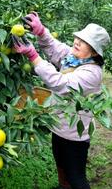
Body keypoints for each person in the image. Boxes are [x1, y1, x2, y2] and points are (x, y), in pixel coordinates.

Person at [12, 12, 110, 189]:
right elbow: (55, 48)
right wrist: (41, 32)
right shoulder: (74, 58)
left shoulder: (91, 73)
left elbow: (60, 83)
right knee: (61, 167)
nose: (77, 42)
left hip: (75, 135)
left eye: (85, 42)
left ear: (94, 51)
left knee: (76, 177)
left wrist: (34, 56)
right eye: (78, 38)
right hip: (58, 124)